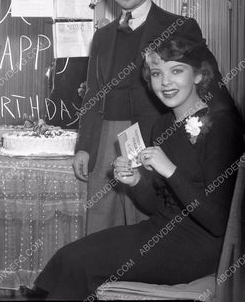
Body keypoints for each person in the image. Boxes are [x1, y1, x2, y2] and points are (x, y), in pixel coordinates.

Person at [34, 37, 245, 300]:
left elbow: (218, 221)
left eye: (176, 71)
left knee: (80, 264)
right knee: (69, 256)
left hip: (201, 247)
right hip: (161, 229)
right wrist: (136, 181)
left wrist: (170, 170)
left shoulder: (222, 127)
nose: (165, 82)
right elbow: (157, 206)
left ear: (199, 76)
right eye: (157, 73)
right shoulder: (162, 126)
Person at [73, 0, 237, 234]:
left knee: (147, 225)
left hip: (154, 137)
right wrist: (84, 145)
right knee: (101, 229)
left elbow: (212, 87)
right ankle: (102, 280)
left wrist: (220, 137)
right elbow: (92, 94)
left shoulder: (179, 26)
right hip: (105, 141)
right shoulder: (101, 36)